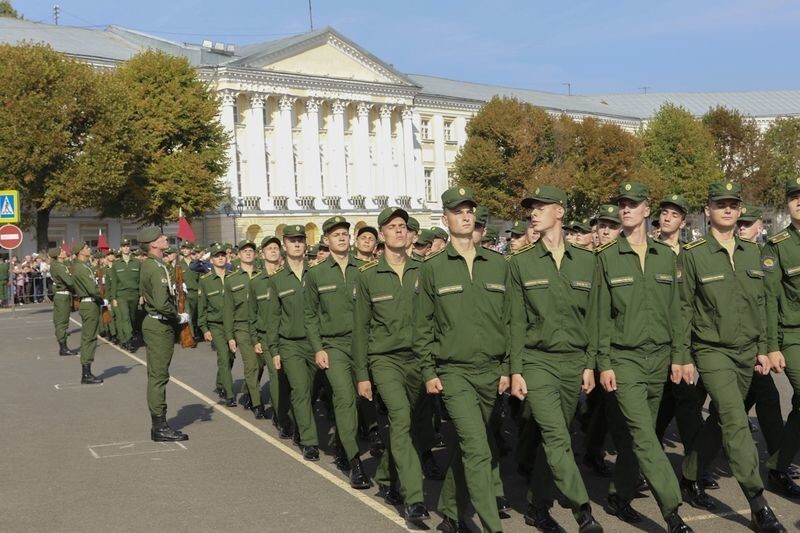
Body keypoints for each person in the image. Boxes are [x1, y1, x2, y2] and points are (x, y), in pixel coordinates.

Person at [679, 181, 785, 532]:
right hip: (711, 351)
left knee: (723, 419)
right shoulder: (692, 254)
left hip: (747, 353)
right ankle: (758, 503)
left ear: (740, 211)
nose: (727, 209)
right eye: (719, 203)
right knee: (736, 420)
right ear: (707, 210)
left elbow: (765, 304)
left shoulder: (755, 253)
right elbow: (682, 309)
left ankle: (690, 472)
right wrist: (682, 355)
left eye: (733, 204)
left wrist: (767, 347)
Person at [589, 182, 693, 532]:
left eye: (633, 204)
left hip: (660, 358)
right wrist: (604, 363)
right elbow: (600, 316)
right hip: (625, 360)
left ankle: (620, 494)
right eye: (622, 204)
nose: (626, 209)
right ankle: (671, 510)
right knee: (646, 436)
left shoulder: (668, 257)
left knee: (640, 434)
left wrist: (679, 355)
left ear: (647, 210)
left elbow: (677, 312)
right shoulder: (605, 258)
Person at [414, 186, 509, 533]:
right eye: (458, 211)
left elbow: (510, 320)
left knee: (469, 447)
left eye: (469, 210)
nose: (466, 215)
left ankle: (452, 513)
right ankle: (492, 527)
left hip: (491, 372)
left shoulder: (499, 264)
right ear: (445, 219)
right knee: (478, 448)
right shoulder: (433, 268)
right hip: (453, 372)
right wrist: (428, 370)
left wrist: (508, 368)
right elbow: (421, 326)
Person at [508, 186, 602, 532]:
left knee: (555, 438)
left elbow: (594, 317)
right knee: (558, 437)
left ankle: (536, 505)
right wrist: (516, 370)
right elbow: (516, 322)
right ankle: (583, 511)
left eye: (540, 207)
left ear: (559, 212)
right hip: (538, 362)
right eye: (530, 209)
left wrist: (590, 363)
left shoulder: (588, 261)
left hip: (573, 362)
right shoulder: (520, 262)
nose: (533, 213)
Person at [304, 216, 372, 489]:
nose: (342, 238)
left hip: (364, 343)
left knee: (359, 399)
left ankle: (344, 445)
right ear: (326, 240)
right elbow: (310, 315)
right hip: (334, 346)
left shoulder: (366, 269)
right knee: (344, 397)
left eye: (345, 233)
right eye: (336, 235)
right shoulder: (317, 273)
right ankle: (355, 462)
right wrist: (318, 348)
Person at [733, 205, 786, 476]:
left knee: (760, 397)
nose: (741, 227)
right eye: (739, 223)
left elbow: (767, 301)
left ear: (759, 227)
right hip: (728, 345)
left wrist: (766, 345)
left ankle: (779, 460)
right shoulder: (730, 254)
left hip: (754, 343)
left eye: (747, 223)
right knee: (693, 401)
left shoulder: (762, 255)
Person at [265, 225, 321, 460]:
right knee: (299, 389)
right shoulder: (277, 280)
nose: (297, 244)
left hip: (315, 343)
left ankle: (300, 424)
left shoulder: (317, 274)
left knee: (310, 392)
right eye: (292, 240)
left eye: (300, 240)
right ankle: (309, 441)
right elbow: (273, 318)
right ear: (284, 245)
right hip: (290, 344)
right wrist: (275, 349)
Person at [762, 179, 800, 499]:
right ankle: (778, 468)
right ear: (787, 204)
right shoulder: (776, 245)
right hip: (793, 335)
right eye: (794, 197)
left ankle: (780, 463)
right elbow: (769, 299)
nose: (799, 202)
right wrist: (772, 346)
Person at [137, 227, 190, 441]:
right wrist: (178, 317)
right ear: (153, 245)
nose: (165, 238)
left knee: (158, 375)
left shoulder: (157, 264)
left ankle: (160, 423)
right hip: (159, 326)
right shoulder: (155, 267)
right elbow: (160, 303)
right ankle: (159, 427)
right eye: (160, 237)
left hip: (158, 324)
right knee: (159, 377)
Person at [250, 232, 295, 439]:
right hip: (267, 337)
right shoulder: (256, 281)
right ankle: (282, 418)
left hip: (289, 335)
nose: (274, 251)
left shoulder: (289, 276)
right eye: (269, 248)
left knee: (292, 379)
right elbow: (252, 314)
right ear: (262, 253)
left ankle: (292, 414)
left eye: (276, 248)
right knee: (277, 378)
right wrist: (255, 339)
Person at [223, 240, 266, 418]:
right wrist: (230, 336)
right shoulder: (231, 280)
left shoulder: (264, 276)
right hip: (242, 327)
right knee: (251, 364)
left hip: (261, 327)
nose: (248, 253)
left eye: (251, 250)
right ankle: (257, 403)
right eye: (244, 251)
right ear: (238, 255)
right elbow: (227, 310)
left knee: (262, 363)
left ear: (255, 255)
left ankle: (248, 391)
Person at [198, 244, 237, 407]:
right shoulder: (206, 281)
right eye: (217, 256)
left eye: (223, 255)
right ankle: (229, 394)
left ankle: (220, 383)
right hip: (217, 325)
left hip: (234, 324)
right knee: (223, 355)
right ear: (211, 260)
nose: (221, 258)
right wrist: (204, 328)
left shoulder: (233, 276)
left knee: (230, 357)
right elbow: (202, 307)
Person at [70, 242, 105, 385]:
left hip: (91, 303)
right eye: (86, 248)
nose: (89, 249)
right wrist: (102, 298)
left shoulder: (84, 266)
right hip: (89, 303)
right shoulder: (81, 268)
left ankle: (87, 371)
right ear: (80, 252)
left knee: (90, 337)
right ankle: (86, 373)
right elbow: (92, 288)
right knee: (89, 338)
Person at [112, 239, 141, 353]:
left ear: (130, 248)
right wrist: (114, 298)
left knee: (132, 318)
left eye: (127, 246)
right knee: (125, 317)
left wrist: (141, 295)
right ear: (121, 248)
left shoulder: (137, 262)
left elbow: (140, 280)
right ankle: (129, 341)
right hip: (121, 295)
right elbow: (114, 282)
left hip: (134, 294)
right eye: (123, 246)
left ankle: (124, 338)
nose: (126, 248)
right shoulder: (116, 264)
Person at [49, 247, 78, 356]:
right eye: (61, 251)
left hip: (60, 296)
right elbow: (69, 282)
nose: (64, 252)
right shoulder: (59, 267)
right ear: (58, 255)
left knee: (60, 321)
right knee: (62, 322)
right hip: (63, 296)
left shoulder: (57, 265)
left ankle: (63, 346)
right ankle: (63, 348)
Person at [178, 242, 199, 337]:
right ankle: (191, 336)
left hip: (196, 292)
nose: (185, 250)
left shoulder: (196, 263)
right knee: (188, 314)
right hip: (185, 293)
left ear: (191, 250)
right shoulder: (179, 265)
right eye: (184, 249)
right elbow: (176, 279)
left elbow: (201, 278)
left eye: (187, 249)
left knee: (197, 313)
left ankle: (197, 329)